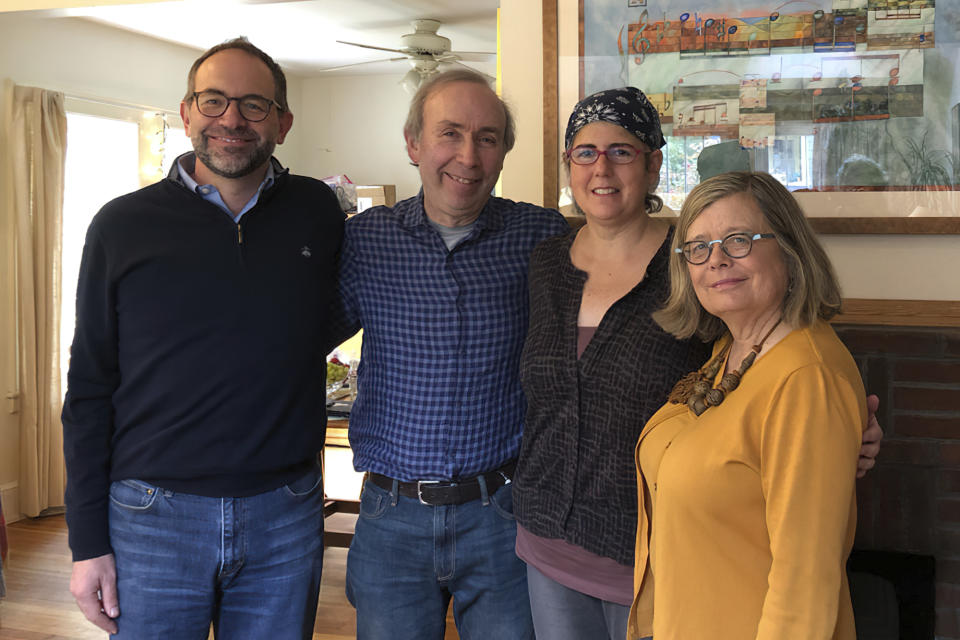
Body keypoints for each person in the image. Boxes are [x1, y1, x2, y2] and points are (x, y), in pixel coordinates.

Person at [513, 88, 883, 640]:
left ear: (655, 163)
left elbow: (787, 365)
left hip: (650, 554)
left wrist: (840, 425)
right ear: (568, 165)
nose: (601, 167)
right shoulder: (545, 262)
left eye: (622, 150)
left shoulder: (689, 266)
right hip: (546, 541)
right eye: (585, 152)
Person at [62, 37, 344, 639]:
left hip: (285, 516)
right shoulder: (122, 224)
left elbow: (327, 319)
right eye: (213, 101)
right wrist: (87, 544)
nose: (232, 120)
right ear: (186, 112)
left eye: (253, 104)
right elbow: (88, 386)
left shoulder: (317, 210)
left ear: (283, 122)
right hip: (151, 519)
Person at [328, 69, 569, 640]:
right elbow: (300, 338)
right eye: (450, 133)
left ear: (504, 152)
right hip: (391, 516)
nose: (468, 155)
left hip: (504, 514)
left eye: (487, 137)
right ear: (413, 144)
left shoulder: (541, 236)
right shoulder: (366, 240)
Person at [630, 171, 866, 639]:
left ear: (790, 248)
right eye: (698, 247)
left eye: (738, 240)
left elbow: (805, 586)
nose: (715, 260)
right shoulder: (731, 350)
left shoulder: (806, 379)